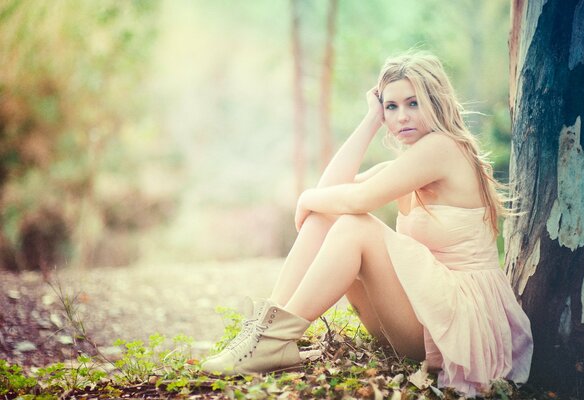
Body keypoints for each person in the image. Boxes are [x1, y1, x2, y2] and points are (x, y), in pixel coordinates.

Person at [201, 51, 533, 397]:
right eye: (391, 107)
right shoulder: (411, 161)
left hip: (459, 324)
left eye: (413, 103)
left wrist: (303, 199)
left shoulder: (443, 148)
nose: (401, 116)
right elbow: (330, 193)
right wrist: (371, 120)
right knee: (330, 214)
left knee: (354, 226)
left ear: (437, 102)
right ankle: (266, 333)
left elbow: (352, 202)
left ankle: (272, 340)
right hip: (425, 312)